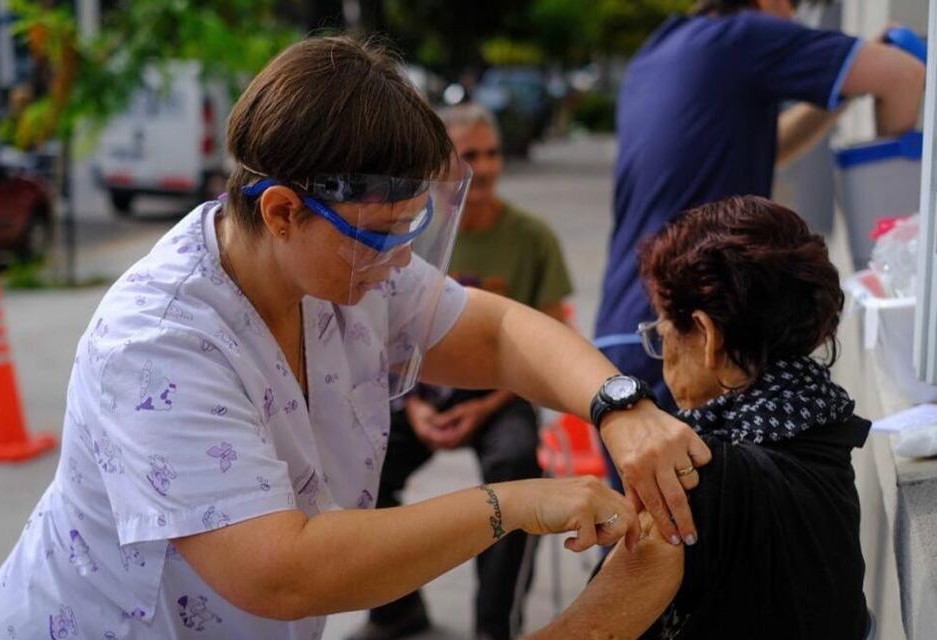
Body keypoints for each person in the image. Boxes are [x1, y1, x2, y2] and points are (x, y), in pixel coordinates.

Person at [0, 36, 710, 640]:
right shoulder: (158, 344)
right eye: (380, 237)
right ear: (283, 211)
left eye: (413, 230)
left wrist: (620, 405)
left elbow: (501, 332)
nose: (397, 263)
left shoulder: (349, 270)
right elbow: (279, 572)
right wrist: (512, 504)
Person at [530, 195, 871, 639]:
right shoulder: (822, 421)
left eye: (661, 333)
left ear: (707, 336)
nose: (660, 352)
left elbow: (589, 633)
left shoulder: (691, 481)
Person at [594, 0, 925, 409]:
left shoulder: (661, 50)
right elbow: (904, 74)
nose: (796, 23)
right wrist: (900, 256)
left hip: (625, 337)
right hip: (687, 338)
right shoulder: (745, 35)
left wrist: (842, 89)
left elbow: (771, 150)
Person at [352, 103, 573, 640]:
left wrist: (485, 404)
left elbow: (551, 336)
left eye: (493, 153)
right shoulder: (410, 232)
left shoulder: (532, 237)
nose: (488, 166)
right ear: (444, 164)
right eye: (473, 155)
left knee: (519, 464)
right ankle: (395, 609)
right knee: (362, 461)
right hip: (419, 392)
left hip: (501, 392)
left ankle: (495, 627)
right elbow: (381, 335)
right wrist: (415, 405)